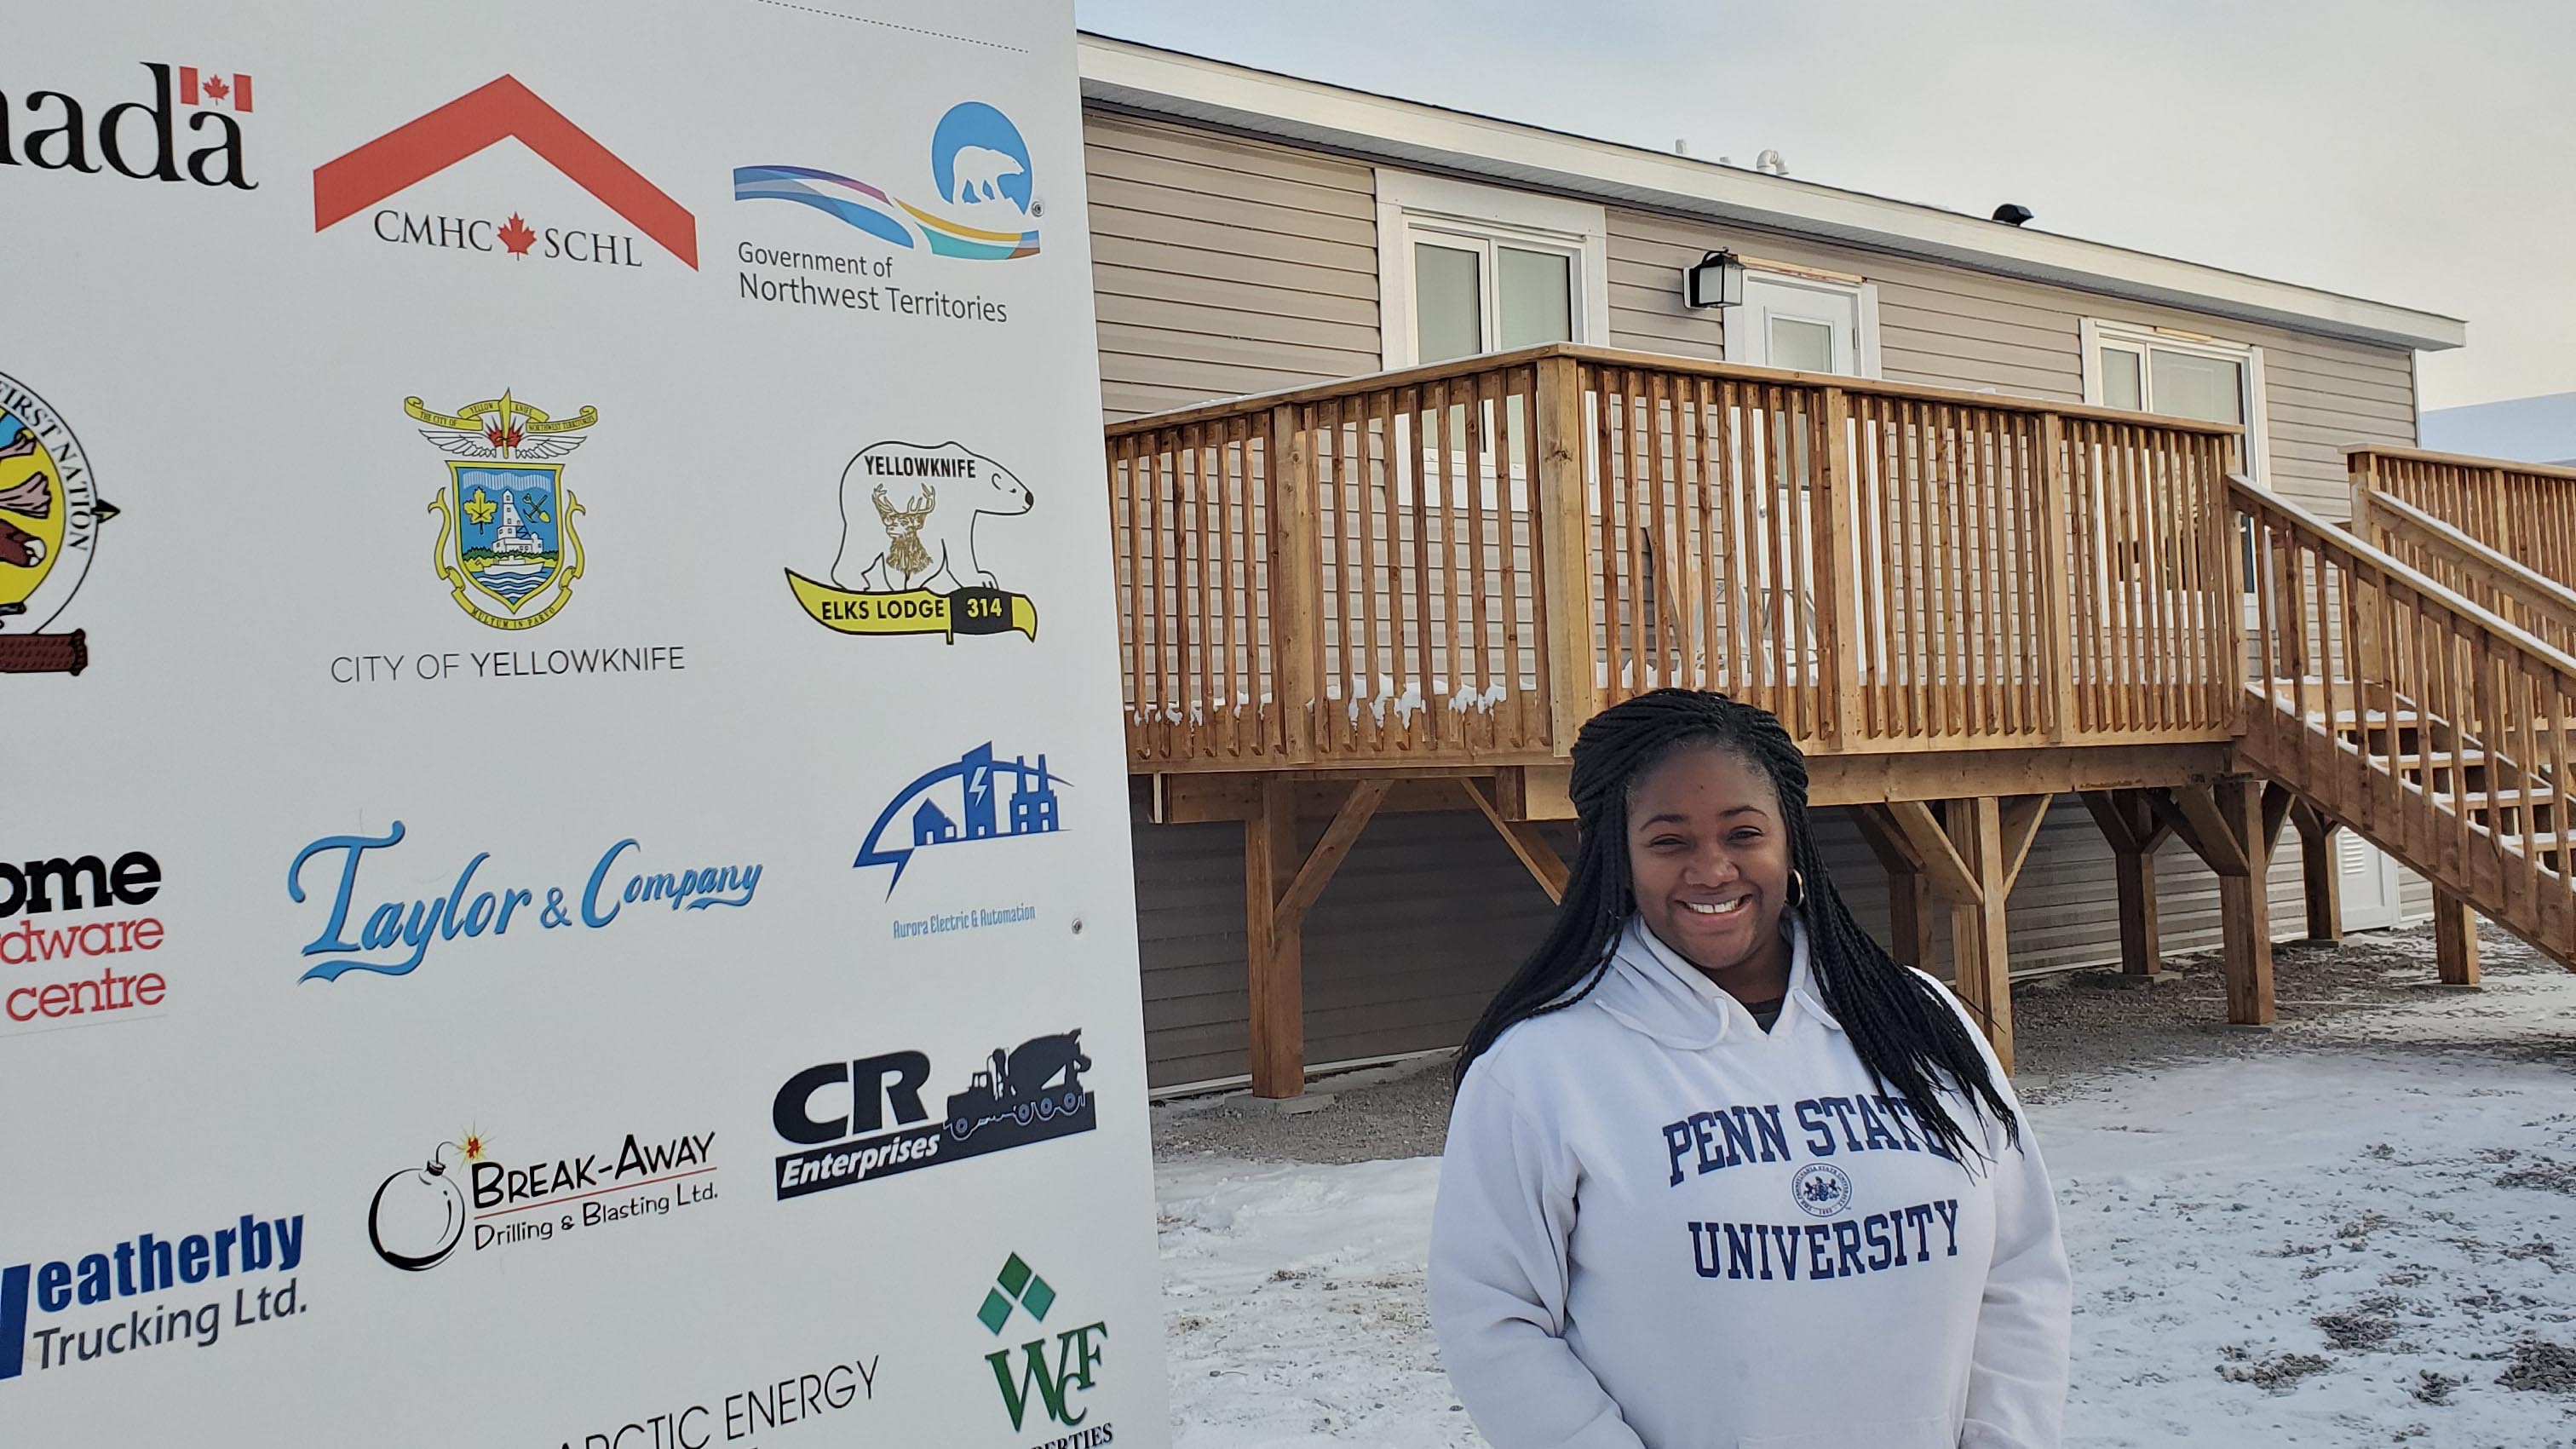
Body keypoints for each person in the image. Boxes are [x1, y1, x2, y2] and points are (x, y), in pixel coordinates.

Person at [1429, 688, 2071, 1449]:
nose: (1712, 869)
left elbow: (2021, 1265)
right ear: (1619, 858)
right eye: (1669, 841)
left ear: (1790, 841)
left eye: (1743, 832)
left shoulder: (1917, 1020)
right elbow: (1492, 1315)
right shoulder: (1544, 1065)